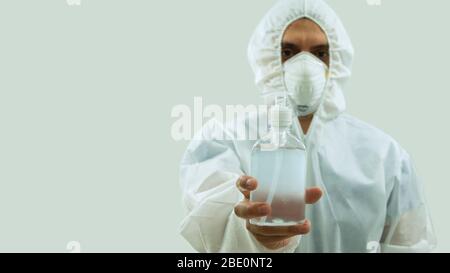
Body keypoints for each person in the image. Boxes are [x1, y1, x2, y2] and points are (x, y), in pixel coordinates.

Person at [179, 0, 436, 252]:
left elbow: (410, 244)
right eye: (288, 52)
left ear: (336, 59)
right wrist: (254, 235)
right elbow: (211, 226)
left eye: (319, 53)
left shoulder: (385, 155)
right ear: (266, 57)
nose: (304, 65)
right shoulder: (222, 141)